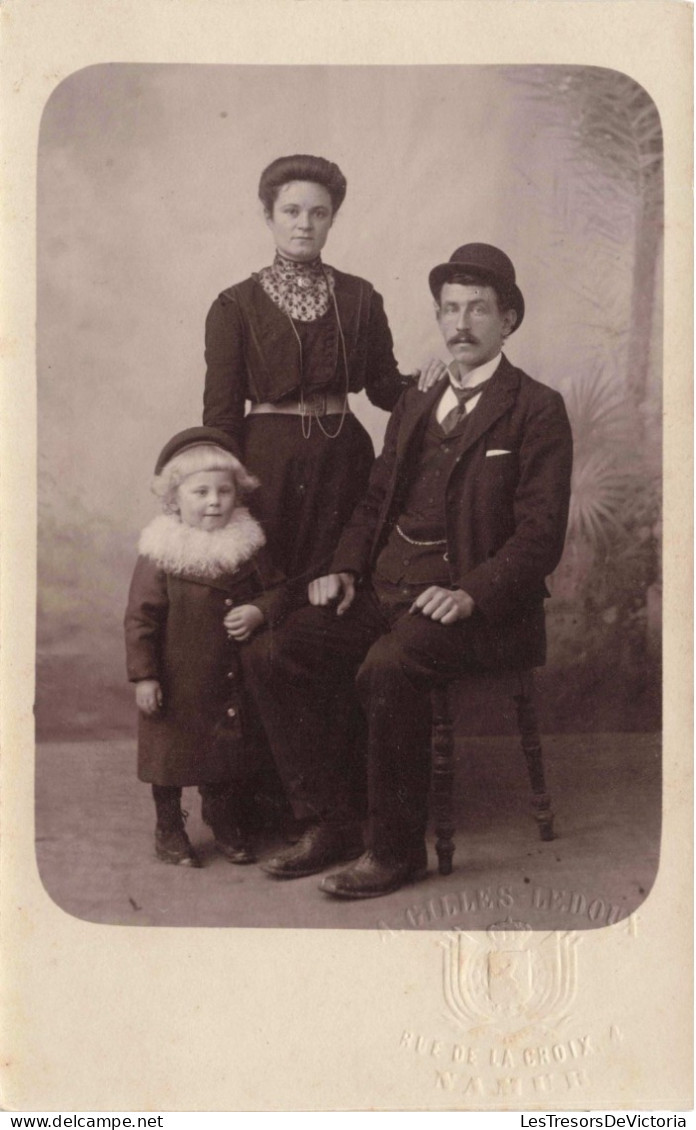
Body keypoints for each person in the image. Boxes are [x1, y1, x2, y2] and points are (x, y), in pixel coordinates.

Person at [242, 243, 574, 899]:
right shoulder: (417, 402)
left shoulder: (536, 408)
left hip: (484, 611)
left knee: (387, 666)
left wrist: (471, 594)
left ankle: (395, 854)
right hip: (389, 588)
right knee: (272, 650)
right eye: (450, 308)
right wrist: (342, 568)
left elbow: (540, 537)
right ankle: (332, 821)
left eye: (478, 308)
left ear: (508, 320)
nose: (461, 323)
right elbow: (373, 499)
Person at [202, 153, 443, 589]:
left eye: (319, 213)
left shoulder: (361, 298)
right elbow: (220, 416)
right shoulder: (233, 306)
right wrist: (226, 490)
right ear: (268, 216)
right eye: (291, 212)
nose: (304, 225)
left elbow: (385, 389)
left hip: (343, 462)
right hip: (267, 466)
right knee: (269, 592)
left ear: (332, 219)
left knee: (342, 590)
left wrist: (428, 381)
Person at [124, 427, 287, 868]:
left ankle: (225, 819)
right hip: (178, 679)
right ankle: (169, 827)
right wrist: (145, 676)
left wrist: (257, 611)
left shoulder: (248, 546)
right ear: (174, 499)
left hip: (227, 675)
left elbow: (278, 592)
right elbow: (141, 619)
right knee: (170, 758)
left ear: (238, 494)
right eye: (200, 492)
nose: (214, 501)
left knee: (227, 753)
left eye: (224, 491)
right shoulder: (162, 553)